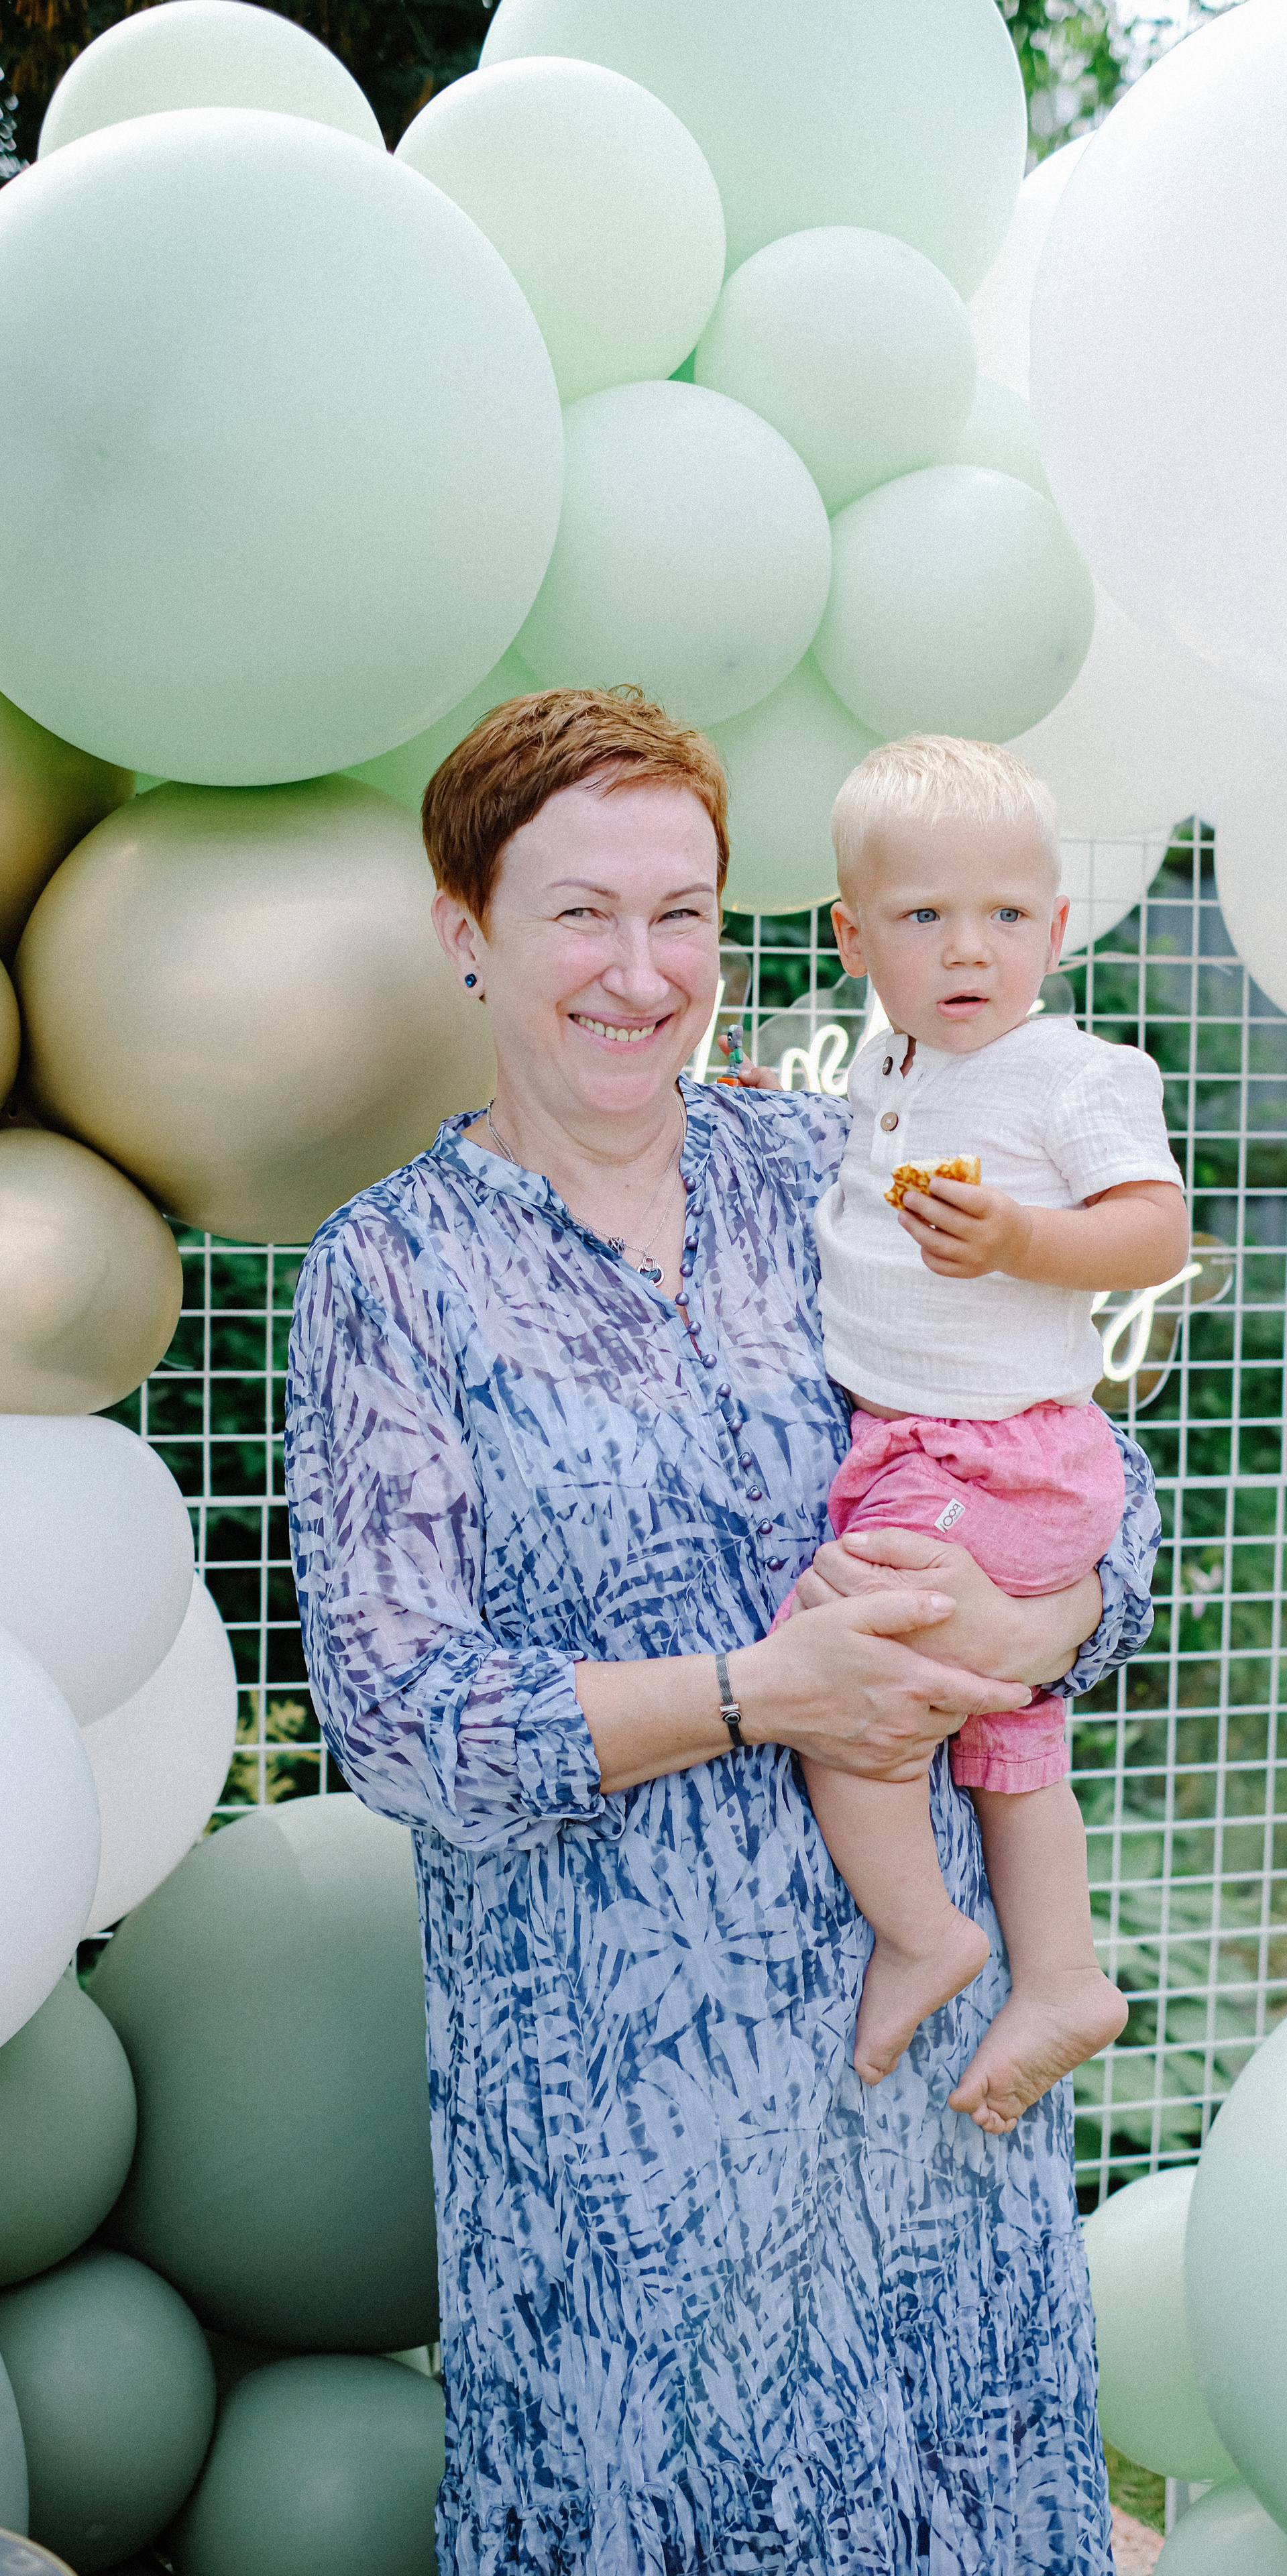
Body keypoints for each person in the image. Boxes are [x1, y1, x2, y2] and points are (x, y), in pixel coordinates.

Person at [285, 686, 1164, 2576]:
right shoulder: (393, 1273)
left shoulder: (835, 1168)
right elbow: (397, 1716)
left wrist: (1039, 1616)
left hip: (933, 2099)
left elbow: (1082, 1467)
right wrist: (771, 1693)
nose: (641, 969)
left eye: (681, 911)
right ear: (467, 933)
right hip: (626, 2135)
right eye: (580, 912)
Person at [783, 736, 1188, 2135]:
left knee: (849, 1685)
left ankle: (921, 1932)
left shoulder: (1065, 1071)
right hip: (937, 1448)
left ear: (1056, 927)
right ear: (852, 938)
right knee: (1012, 1745)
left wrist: (1023, 1237)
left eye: (1006, 916)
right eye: (923, 918)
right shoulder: (889, 1066)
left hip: (999, 1456)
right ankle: (1060, 1977)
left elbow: (1151, 1232)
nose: (970, 950)